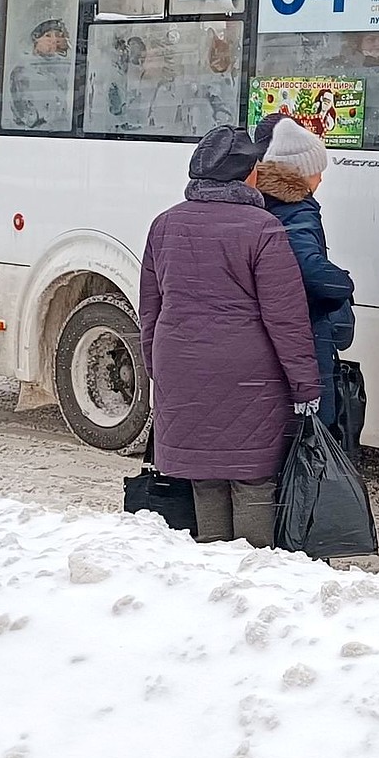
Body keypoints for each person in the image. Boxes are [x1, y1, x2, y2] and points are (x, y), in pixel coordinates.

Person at [139, 125, 321, 548]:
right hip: (247, 374)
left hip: (180, 367)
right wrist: (305, 385)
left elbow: (151, 307)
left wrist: (156, 368)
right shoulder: (263, 228)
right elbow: (286, 318)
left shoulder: (164, 224)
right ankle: (251, 575)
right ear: (248, 175)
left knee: (204, 478)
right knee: (253, 479)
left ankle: (212, 574)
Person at [254, 116, 355, 429]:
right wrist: (342, 283)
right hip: (307, 331)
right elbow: (308, 268)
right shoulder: (296, 207)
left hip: (275, 328)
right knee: (315, 432)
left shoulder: (263, 200)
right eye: (316, 171)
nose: (321, 180)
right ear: (298, 172)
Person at [9, 17, 72, 130]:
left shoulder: (62, 67)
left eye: (56, 35)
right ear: (36, 38)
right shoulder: (23, 70)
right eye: (48, 36)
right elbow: (25, 114)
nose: (53, 41)